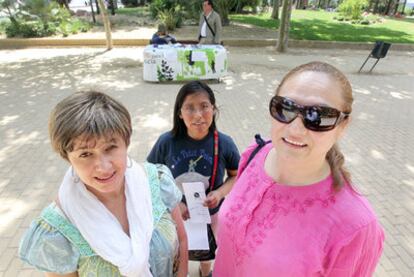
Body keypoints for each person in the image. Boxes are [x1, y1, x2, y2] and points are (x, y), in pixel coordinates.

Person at [213, 62, 385, 276]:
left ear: (343, 125)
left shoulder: (356, 227)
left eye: (318, 116)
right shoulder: (255, 154)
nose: (295, 129)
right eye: (285, 108)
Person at [19, 91, 188, 277]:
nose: (103, 167)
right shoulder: (59, 229)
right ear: (67, 157)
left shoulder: (157, 182)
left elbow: (181, 239)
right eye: (85, 154)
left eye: (110, 148)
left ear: (126, 142)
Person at [147, 81, 240, 277]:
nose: (198, 114)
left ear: (213, 109)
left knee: (207, 254)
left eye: (204, 106)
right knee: (176, 251)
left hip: (210, 214)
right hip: (175, 215)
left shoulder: (224, 143)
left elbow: (236, 175)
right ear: (179, 113)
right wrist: (174, 203)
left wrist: (220, 193)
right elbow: (150, 174)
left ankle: (204, 272)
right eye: (190, 108)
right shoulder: (167, 142)